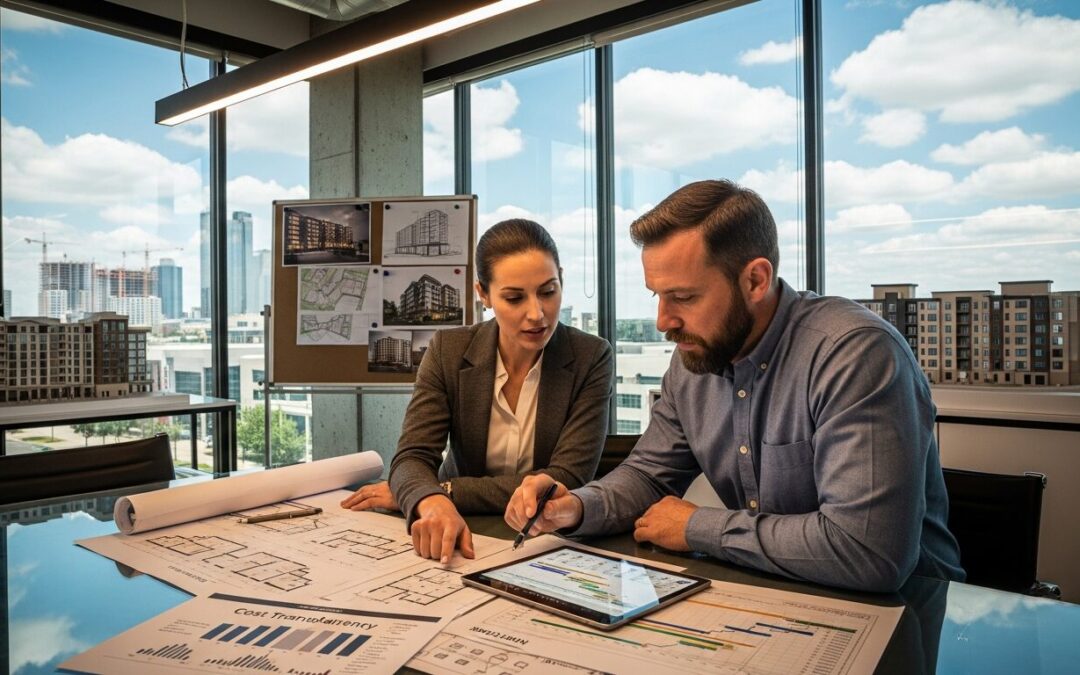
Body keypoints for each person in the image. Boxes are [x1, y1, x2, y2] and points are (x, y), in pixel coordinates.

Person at [505, 179, 964, 593]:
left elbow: (868, 552)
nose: (664, 321)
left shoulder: (853, 354)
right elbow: (648, 475)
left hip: (908, 612)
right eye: (658, 296)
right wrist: (576, 508)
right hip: (768, 592)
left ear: (755, 280)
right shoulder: (694, 357)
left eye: (683, 297)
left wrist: (697, 528)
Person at [343, 218, 614, 564]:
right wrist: (432, 502)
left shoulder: (592, 356)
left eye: (548, 291)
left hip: (546, 539)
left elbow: (567, 475)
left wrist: (439, 492)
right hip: (457, 532)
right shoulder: (449, 350)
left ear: (561, 278)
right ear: (483, 294)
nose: (537, 313)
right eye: (514, 298)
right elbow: (412, 457)